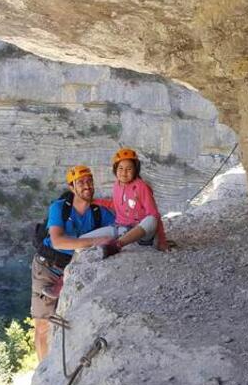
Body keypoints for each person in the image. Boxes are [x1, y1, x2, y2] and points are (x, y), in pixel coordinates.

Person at [31, 164, 115, 361]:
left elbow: (121, 227)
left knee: (67, 320)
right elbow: (58, 241)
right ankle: (43, 370)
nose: (87, 186)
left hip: (73, 268)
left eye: (89, 181)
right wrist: (94, 241)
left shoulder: (99, 212)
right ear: (72, 187)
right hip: (48, 268)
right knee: (43, 324)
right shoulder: (59, 208)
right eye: (81, 182)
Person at [99, 147, 168, 258]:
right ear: (115, 169)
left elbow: (154, 214)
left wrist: (162, 240)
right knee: (83, 238)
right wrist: (94, 201)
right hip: (122, 228)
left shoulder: (141, 186)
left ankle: (117, 245)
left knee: (151, 220)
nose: (124, 173)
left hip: (142, 233)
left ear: (136, 170)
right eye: (120, 168)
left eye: (129, 169)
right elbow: (115, 205)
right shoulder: (117, 185)